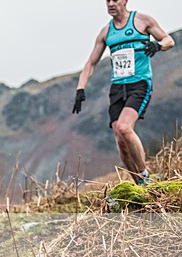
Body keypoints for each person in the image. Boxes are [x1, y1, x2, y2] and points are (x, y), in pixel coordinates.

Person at [72, 0, 174, 185]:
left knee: (124, 128)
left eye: (115, 0)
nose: (111, 4)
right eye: (107, 0)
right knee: (120, 139)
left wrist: (157, 46)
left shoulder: (142, 21)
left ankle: (145, 176)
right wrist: (80, 88)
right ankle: (139, 184)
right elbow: (91, 63)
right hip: (118, 88)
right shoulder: (106, 32)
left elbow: (169, 40)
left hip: (139, 84)